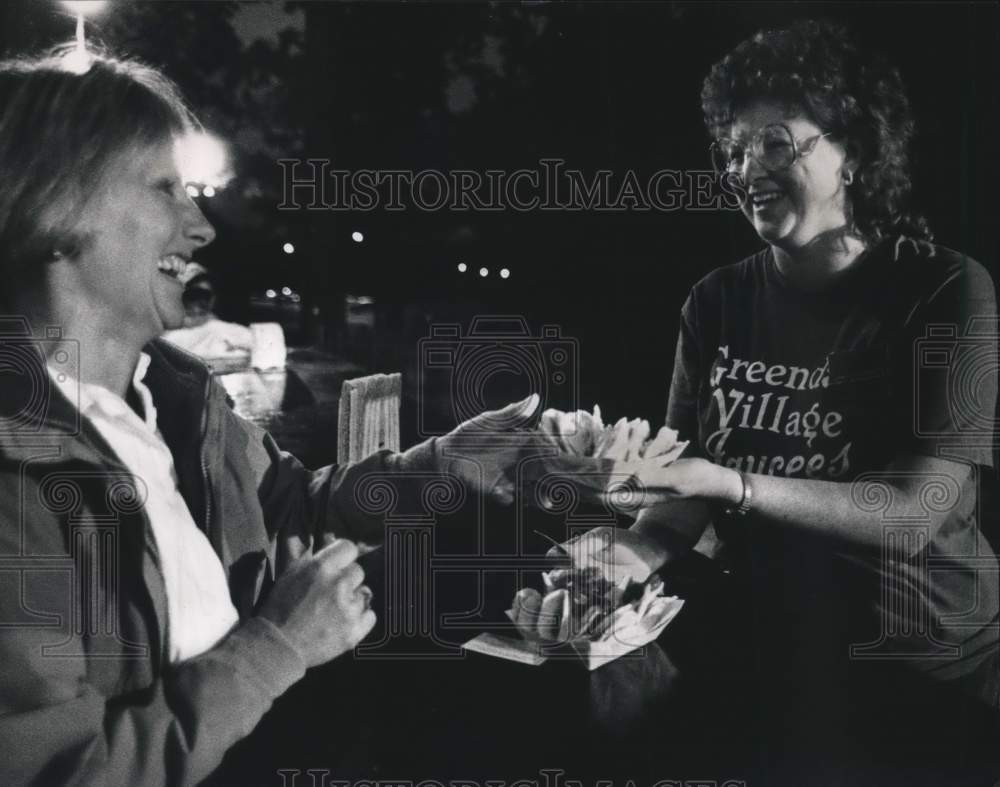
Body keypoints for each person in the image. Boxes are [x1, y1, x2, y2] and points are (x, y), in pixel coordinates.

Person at [0, 46, 538, 786]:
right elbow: (64, 773)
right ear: (55, 210)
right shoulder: (15, 468)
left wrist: (441, 464)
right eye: (165, 189)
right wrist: (276, 645)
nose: (202, 227)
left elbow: (285, 506)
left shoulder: (177, 394)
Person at [561, 19, 999, 785]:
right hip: (772, 656)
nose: (745, 168)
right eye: (733, 150)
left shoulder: (946, 290)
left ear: (854, 152)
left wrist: (736, 485)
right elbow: (675, 503)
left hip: (928, 673)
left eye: (775, 143)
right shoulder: (716, 301)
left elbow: (913, 512)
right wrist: (613, 556)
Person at [161, 263, 255, 359]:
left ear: (213, 298)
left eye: (204, 295)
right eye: (191, 294)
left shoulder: (231, 331)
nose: (199, 301)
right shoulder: (166, 336)